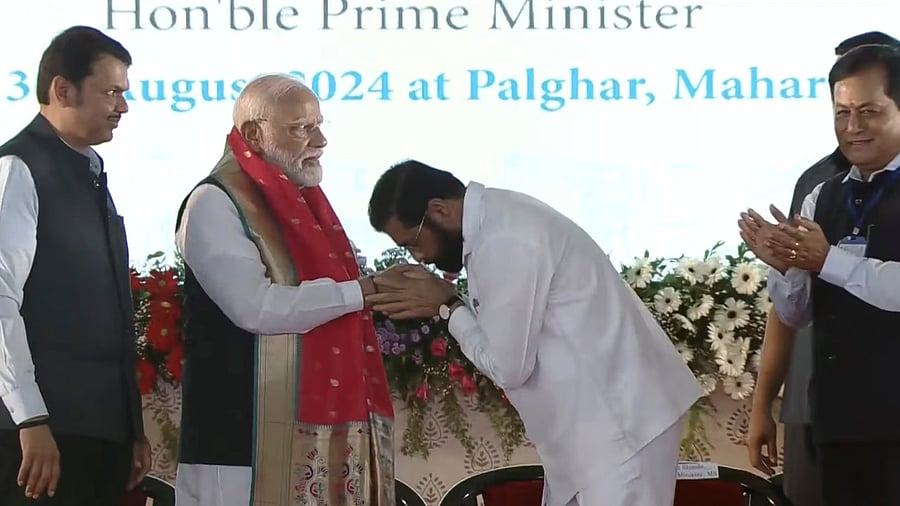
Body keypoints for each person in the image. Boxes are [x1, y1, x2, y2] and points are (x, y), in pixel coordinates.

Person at [365, 161, 701, 506]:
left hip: (620, 426)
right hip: (597, 430)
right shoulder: (497, 221)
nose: (419, 257)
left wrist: (448, 306)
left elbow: (509, 367)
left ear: (440, 210)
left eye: (414, 242)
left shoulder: (504, 239)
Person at [174, 73, 395, 506]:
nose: (321, 140)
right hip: (239, 446)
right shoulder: (215, 202)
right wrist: (360, 292)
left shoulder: (303, 203)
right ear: (254, 134)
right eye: (301, 128)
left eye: (318, 124)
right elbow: (255, 308)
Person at [740, 43, 900, 505]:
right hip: (840, 420)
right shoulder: (822, 196)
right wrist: (787, 268)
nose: (852, 127)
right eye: (841, 112)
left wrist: (827, 260)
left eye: (869, 111)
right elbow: (798, 313)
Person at [0, 26, 150, 505]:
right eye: (110, 92)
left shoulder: (89, 171)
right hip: (38, 435)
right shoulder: (19, 168)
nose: (122, 107)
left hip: (98, 432)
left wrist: (131, 427)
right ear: (63, 90)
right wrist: (30, 418)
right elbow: (2, 300)